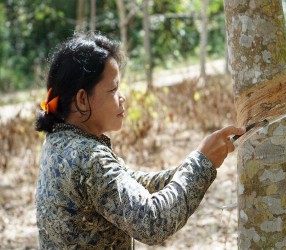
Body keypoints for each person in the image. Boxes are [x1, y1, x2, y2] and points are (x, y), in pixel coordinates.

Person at [34, 33, 245, 249]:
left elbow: (132, 184)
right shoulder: (88, 156)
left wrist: (198, 160)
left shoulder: (59, 141)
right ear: (81, 99)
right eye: (113, 89)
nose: (122, 97)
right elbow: (153, 221)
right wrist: (201, 163)